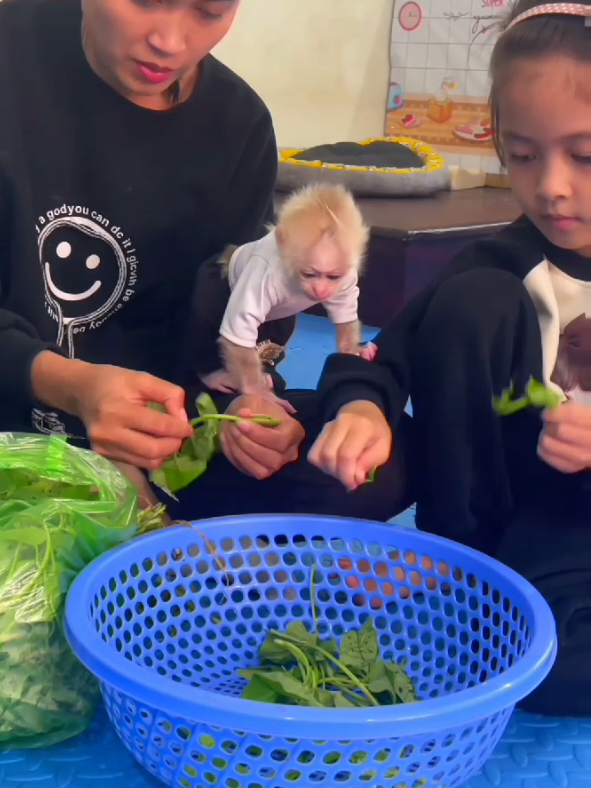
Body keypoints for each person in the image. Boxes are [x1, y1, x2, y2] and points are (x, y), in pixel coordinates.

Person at [0, 0, 414, 521]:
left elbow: (229, 317)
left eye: (210, 10)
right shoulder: (13, 59)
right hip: (18, 401)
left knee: (375, 458)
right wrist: (71, 386)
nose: (170, 43)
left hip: (163, 424)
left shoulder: (238, 125)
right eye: (145, 1)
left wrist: (245, 404)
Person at [309, 0, 591, 716]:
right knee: (533, 661)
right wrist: (361, 409)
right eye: (523, 155)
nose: (551, 187)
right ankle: (464, 562)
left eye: (585, 156)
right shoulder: (500, 265)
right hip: (536, 534)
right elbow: (374, 360)